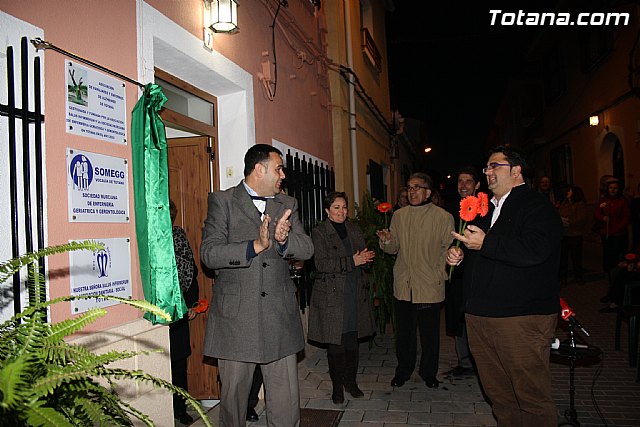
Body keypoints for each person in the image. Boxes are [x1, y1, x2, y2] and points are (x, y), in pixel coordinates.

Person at [446, 145, 563, 426]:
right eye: (486, 167)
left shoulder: (535, 206)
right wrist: (459, 258)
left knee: (530, 396)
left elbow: (535, 250)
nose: (487, 172)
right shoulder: (486, 210)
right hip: (481, 315)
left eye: (494, 166)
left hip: (519, 317)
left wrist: (486, 243)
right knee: (499, 394)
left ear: (516, 170)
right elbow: (482, 254)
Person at [200, 144, 314, 427]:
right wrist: (255, 246)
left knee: (286, 403)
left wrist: (284, 240)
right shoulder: (223, 201)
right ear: (259, 169)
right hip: (236, 320)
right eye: (279, 169)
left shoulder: (287, 204)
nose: (283, 175)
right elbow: (209, 254)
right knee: (234, 403)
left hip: (279, 316)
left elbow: (307, 248)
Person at [376, 172, 454, 389]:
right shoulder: (399, 216)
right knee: (404, 334)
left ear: (428, 192)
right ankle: (403, 371)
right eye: (409, 187)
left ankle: (429, 373)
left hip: (429, 285)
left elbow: (448, 249)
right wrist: (387, 241)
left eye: (417, 187)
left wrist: (439, 273)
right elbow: (393, 249)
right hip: (404, 284)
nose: (412, 191)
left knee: (430, 335)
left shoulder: (443, 217)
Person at [308, 191, 376, 404]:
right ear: (327, 210)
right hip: (332, 296)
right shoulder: (319, 232)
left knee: (352, 343)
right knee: (336, 345)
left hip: (354, 292)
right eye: (336, 207)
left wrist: (367, 260)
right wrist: (352, 261)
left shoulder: (354, 229)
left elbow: (363, 258)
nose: (341, 211)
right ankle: (337, 387)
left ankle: (351, 382)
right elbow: (321, 264)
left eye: (344, 207)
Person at [443, 166, 480, 377]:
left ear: (477, 185)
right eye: (460, 181)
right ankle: (464, 361)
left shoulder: (484, 210)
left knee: (475, 320)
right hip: (455, 274)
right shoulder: (450, 209)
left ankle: (479, 362)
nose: (463, 185)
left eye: (468, 181)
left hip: (475, 274)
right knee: (457, 318)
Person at [169, 199, 199, 425]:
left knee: (179, 363)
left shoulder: (178, 235)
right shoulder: (151, 238)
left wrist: (191, 304)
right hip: (158, 309)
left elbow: (190, 270)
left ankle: (180, 409)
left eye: (171, 214)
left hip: (179, 309)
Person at [593, 178, 630, 275]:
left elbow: (626, 218)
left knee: (616, 253)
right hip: (605, 232)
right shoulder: (603, 200)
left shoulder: (622, 201)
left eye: (615, 188)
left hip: (618, 233)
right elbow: (597, 212)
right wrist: (603, 217)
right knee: (607, 252)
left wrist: (616, 229)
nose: (613, 190)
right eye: (611, 188)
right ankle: (607, 270)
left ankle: (616, 271)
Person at [558, 185, 588, 286]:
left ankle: (578, 276)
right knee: (563, 258)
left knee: (576, 257)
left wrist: (569, 221)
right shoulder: (564, 203)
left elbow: (582, 218)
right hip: (565, 234)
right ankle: (563, 278)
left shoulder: (580, 204)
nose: (567, 193)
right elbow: (560, 213)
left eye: (569, 191)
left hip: (575, 234)